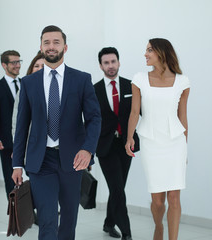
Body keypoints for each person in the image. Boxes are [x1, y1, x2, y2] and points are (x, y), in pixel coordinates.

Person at [12, 25, 101, 240]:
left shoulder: (81, 79)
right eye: (47, 42)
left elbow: (94, 118)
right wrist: (17, 163)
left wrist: (88, 150)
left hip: (72, 159)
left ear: (65, 47)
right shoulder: (29, 83)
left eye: (56, 42)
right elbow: (22, 125)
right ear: (41, 47)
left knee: (69, 219)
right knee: (48, 218)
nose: (51, 46)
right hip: (40, 161)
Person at [125, 38, 190, 240]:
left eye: (149, 50)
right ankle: (158, 227)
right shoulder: (139, 79)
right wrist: (129, 138)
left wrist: (185, 147)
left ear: (162, 52)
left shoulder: (183, 81)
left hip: (175, 143)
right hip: (151, 142)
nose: (145, 54)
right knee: (158, 201)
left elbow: (183, 116)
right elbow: (135, 112)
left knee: (174, 197)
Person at [94, 47, 139, 240]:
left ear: (119, 62)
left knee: (118, 187)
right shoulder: (93, 90)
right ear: (101, 66)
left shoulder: (132, 86)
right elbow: (89, 120)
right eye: (106, 63)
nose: (110, 66)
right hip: (105, 146)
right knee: (118, 188)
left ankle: (108, 223)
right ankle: (127, 233)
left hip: (127, 144)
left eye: (113, 61)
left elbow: (139, 112)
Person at [0, 50, 22, 198]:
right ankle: (17, 216)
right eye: (13, 62)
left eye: (19, 62)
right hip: (7, 142)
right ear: (4, 65)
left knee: (36, 176)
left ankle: (38, 211)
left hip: (27, 140)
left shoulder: (27, 84)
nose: (17, 65)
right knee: (11, 180)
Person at [12, 51, 44, 137]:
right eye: (36, 66)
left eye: (43, 66)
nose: (39, 68)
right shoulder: (23, 90)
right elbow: (16, 122)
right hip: (30, 142)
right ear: (31, 69)